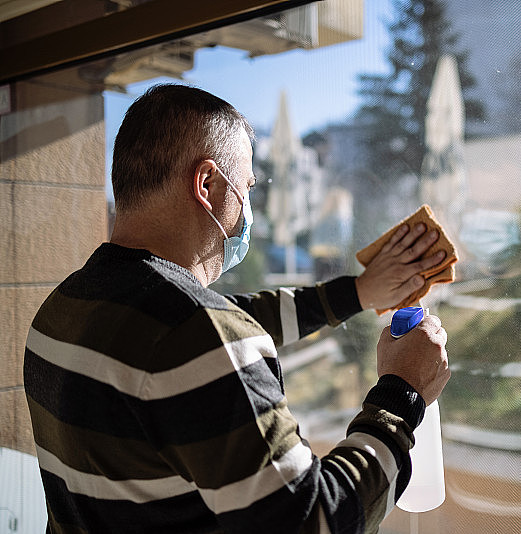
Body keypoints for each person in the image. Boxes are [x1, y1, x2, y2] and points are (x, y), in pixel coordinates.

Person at [23, 84, 450, 533]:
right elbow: (317, 519)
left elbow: (227, 320)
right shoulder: (198, 335)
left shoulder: (65, 306)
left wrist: (358, 293)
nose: (248, 208)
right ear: (207, 185)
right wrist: (402, 393)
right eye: (246, 187)